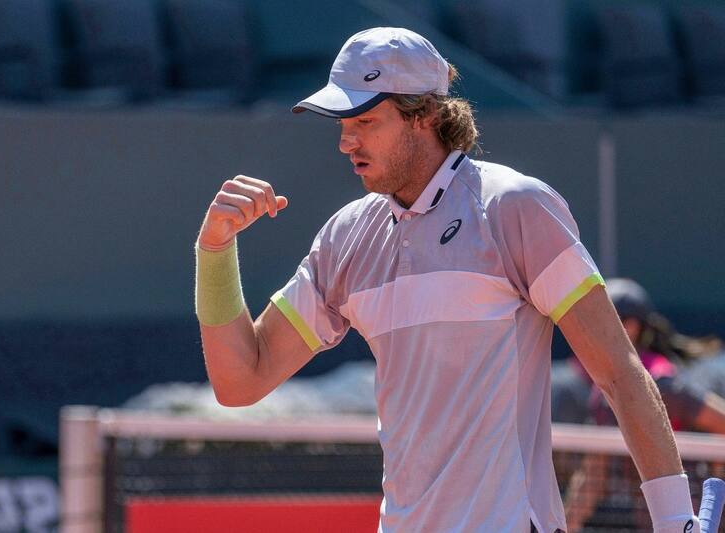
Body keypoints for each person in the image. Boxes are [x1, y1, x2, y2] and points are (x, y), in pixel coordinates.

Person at [194, 27, 701, 532]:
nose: (347, 141)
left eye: (366, 120)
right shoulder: (345, 237)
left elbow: (619, 371)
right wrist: (214, 250)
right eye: (342, 123)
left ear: (427, 116)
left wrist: (675, 519)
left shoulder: (516, 206)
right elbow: (242, 380)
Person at [561, 278, 725, 531]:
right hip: (649, 519)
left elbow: (720, 422)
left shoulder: (664, 384)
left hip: (690, 514)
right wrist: (566, 525)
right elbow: (594, 474)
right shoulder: (602, 393)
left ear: (631, 326)